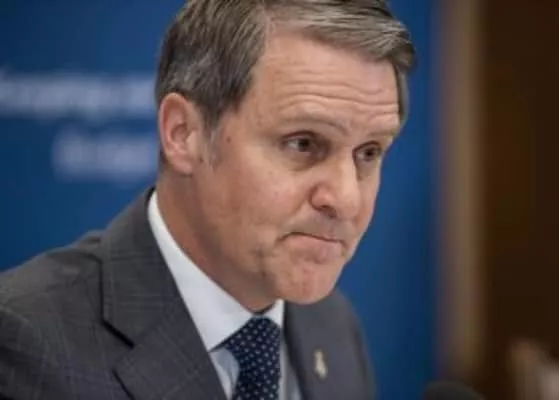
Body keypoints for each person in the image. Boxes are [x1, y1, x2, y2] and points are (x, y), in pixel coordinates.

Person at [0, 0, 415, 399]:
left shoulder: (333, 328)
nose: (346, 199)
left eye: (369, 152)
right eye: (303, 143)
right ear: (183, 133)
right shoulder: (29, 343)